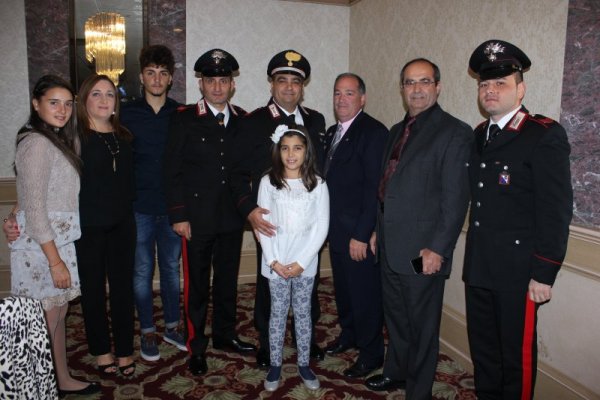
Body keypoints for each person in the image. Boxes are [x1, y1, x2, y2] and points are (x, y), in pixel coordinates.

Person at [464, 40, 573, 400]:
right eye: (484, 84)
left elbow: (555, 209)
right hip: (479, 265)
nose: (490, 90)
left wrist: (544, 272)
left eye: (501, 83)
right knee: (484, 351)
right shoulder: (480, 135)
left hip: (518, 271)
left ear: (520, 89)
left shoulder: (542, 134)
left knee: (515, 357)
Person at [366, 59, 473, 399]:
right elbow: (387, 187)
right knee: (396, 319)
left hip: (422, 252)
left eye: (424, 81)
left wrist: (438, 249)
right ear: (402, 88)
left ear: (438, 87)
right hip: (389, 246)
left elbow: (456, 200)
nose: (416, 89)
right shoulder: (397, 130)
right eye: (410, 82)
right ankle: (396, 372)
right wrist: (377, 230)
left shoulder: (455, 133)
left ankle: (418, 391)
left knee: (422, 327)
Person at [230, 49, 326, 369]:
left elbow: (320, 172)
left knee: (308, 277)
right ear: (271, 84)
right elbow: (237, 173)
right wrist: (249, 211)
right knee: (269, 283)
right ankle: (266, 340)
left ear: (303, 87)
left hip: (307, 221)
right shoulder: (254, 122)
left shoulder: (315, 121)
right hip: (271, 222)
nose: (288, 87)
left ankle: (305, 337)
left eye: (295, 82)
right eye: (282, 80)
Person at [163, 48, 255, 377]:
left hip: (231, 217)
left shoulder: (242, 120)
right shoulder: (184, 118)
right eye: (211, 80)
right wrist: (178, 215)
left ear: (232, 85)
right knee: (198, 286)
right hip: (196, 219)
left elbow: (243, 170)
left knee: (227, 281)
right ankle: (196, 345)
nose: (217, 87)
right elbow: (171, 170)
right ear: (201, 84)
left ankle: (225, 335)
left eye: (224, 80)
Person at [8, 75, 100, 396]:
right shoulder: (35, 143)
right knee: (42, 325)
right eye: (53, 102)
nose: (62, 110)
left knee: (57, 316)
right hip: (42, 249)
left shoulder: (55, 139)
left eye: (67, 104)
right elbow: (35, 210)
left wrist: (11, 215)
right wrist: (54, 262)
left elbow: (31, 194)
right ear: (36, 104)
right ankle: (34, 388)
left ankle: (59, 379)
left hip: (58, 243)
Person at [120, 44, 185, 362]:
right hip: (139, 207)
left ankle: (172, 326)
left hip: (172, 208)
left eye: (162, 73)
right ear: (141, 77)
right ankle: (147, 330)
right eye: (150, 73)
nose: (157, 79)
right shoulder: (125, 114)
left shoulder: (182, 114)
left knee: (171, 269)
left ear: (171, 78)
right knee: (142, 270)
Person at [322, 73, 387, 378]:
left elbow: (375, 188)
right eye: (337, 93)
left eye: (349, 93)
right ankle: (349, 335)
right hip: (335, 231)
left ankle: (371, 353)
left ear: (362, 98)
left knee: (364, 296)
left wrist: (362, 234)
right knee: (344, 291)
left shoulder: (373, 132)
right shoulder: (332, 131)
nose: (342, 99)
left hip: (357, 235)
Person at [259, 125, 329, 392]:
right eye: (285, 148)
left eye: (297, 148)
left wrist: (301, 263)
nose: (291, 154)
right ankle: (275, 365)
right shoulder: (268, 182)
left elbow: (321, 227)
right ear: (278, 151)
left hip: (304, 265)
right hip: (276, 263)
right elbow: (263, 227)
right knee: (277, 314)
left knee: (303, 314)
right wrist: (274, 261)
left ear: (306, 151)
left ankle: (303, 364)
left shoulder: (318, 184)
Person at [75, 74, 137, 377]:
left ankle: (125, 350)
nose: (103, 100)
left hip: (123, 225)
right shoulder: (74, 139)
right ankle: (101, 350)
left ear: (116, 101)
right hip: (88, 227)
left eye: (110, 94)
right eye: (96, 94)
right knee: (93, 291)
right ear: (84, 100)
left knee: (123, 289)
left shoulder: (124, 136)